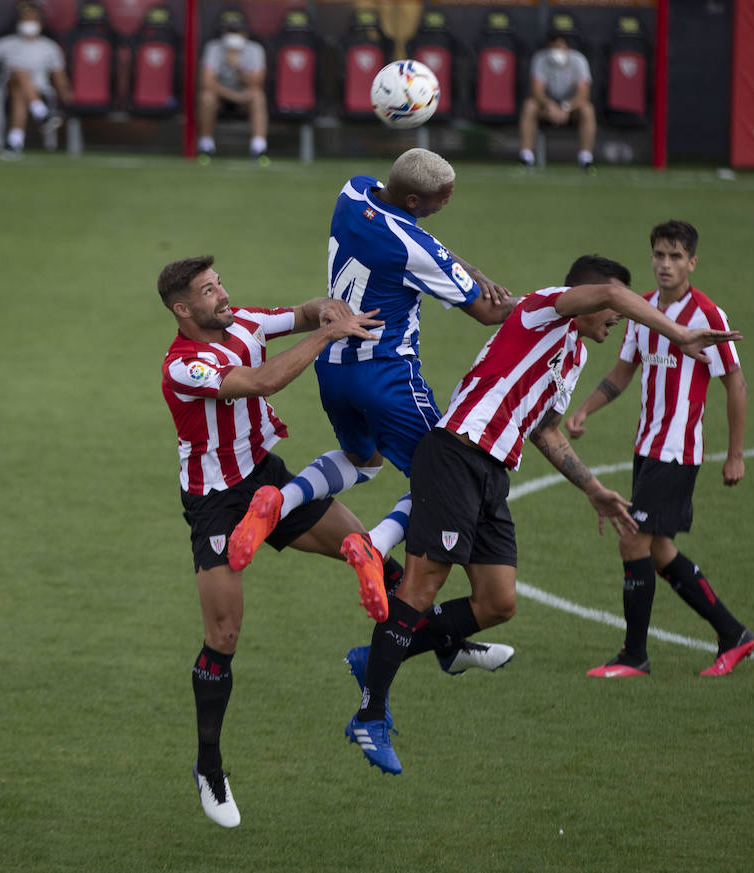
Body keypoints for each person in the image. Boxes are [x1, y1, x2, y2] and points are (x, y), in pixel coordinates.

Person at [345, 254, 743, 774]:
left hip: (491, 474)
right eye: (610, 307)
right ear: (590, 296)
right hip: (457, 453)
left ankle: (378, 656)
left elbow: (544, 429)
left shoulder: (573, 353)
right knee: (421, 588)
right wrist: (678, 333)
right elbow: (614, 296)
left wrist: (593, 488)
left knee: (498, 601)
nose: (617, 317)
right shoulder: (543, 309)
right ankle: (370, 714)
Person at [228, 148, 518, 681]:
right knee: (450, 477)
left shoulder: (352, 191)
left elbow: (428, 246)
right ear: (414, 200)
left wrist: (463, 265)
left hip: (334, 366)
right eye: (440, 199)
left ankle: (281, 497)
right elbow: (486, 312)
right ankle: (375, 541)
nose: (447, 204)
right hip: (388, 376)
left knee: (364, 459)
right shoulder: (414, 246)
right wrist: (546, 306)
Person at [158, 255, 386, 828]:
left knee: (366, 550)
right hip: (216, 504)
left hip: (267, 481)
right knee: (225, 634)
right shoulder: (183, 366)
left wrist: (325, 311)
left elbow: (301, 314)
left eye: (219, 283)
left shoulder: (246, 321)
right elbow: (262, 380)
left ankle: (447, 633)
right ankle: (209, 766)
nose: (222, 294)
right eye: (208, 291)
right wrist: (326, 335)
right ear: (183, 310)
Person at [565, 221, 754, 679]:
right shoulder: (642, 309)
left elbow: (736, 384)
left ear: (692, 262)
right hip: (646, 447)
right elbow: (623, 371)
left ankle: (635, 656)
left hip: (677, 450)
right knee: (659, 551)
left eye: (675, 256)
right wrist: (584, 411)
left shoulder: (707, 315)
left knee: (632, 539)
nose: (665, 264)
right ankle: (734, 634)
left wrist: (735, 453)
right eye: (658, 255)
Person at [0, 1, 72, 160]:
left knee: (20, 91)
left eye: (32, 18)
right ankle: (42, 115)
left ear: (40, 21)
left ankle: (15, 142)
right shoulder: (7, 43)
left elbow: (60, 78)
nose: (29, 22)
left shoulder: (50, 47)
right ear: (18, 21)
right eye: (25, 18)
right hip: (6, 91)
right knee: (19, 73)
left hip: (40, 92)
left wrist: (66, 94)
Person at [196, 10, 269, 165]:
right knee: (206, 97)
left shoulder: (255, 49)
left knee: (258, 97)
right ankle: (206, 147)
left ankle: (258, 148)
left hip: (245, 97)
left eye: (237, 32)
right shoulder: (214, 48)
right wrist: (233, 95)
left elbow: (257, 83)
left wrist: (237, 66)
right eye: (230, 32)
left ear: (245, 34)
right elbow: (207, 82)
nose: (233, 36)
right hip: (221, 96)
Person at [518, 28, 596, 172]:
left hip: (571, 109)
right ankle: (526, 158)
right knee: (530, 105)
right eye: (553, 46)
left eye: (560, 46)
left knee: (587, 109)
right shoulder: (540, 58)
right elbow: (537, 91)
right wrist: (550, 105)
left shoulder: (578, 60)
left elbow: (583, 94)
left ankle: (586, 159)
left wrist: (566, 107)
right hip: (547, 108)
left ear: (567, 46)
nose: (556, 50)